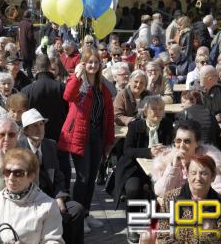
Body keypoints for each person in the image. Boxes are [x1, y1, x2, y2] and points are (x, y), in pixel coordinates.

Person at [58, 47, 115, 229]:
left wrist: (109, 141)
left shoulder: (103, 87)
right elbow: (67, 96)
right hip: (80, 135)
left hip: (97, 135)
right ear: (83, 63)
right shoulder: (79, 83)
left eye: (96, 62)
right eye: (90, 62)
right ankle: (78, 217)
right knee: (82, 177)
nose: (93, 65)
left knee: (91, 178)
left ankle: (87, 214)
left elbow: (109, 116)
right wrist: (77, 75)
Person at [18, 108, 85, 241]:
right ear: (25, 130)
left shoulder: (50, 145)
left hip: (50, 197)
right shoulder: (19, 149)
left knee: (77, 209)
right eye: (34, 126)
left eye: (41, 124)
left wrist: (59, 197)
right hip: (29, 200)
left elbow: (59, 176)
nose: (39, 129)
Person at [0, 148, 64, 243]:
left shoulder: (47, 205)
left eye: (18, 173)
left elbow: (53, 241)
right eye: (7, 172)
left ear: (31, 176)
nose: (11, 178)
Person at [113, 96, 172, 242]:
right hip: (135, 168)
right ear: (145, 111)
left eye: (161, 109)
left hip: (160, 168)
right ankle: (132, 225)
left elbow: (173, 146)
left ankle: (154, 225)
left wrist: (165, 150)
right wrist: (149, 151)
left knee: (158, 190)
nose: (157, 113)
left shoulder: (167, 124)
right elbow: (127, 150)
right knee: (133, 189)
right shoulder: (135, 126)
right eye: (153, 109)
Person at [156, 155, 221, 244]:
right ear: (187, 174)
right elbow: (163, 236)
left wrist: (210, 235)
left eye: (203, 173)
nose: (198, 178)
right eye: (193, 173)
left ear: (213, 177)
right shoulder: (171, 199)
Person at [152, 120, 221, 198]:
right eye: (178, 141)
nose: (182, 145)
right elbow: (160, 192)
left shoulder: (206, 161)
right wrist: (173, 167)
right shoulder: (167, 161)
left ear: (197, 143)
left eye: (187, 141)